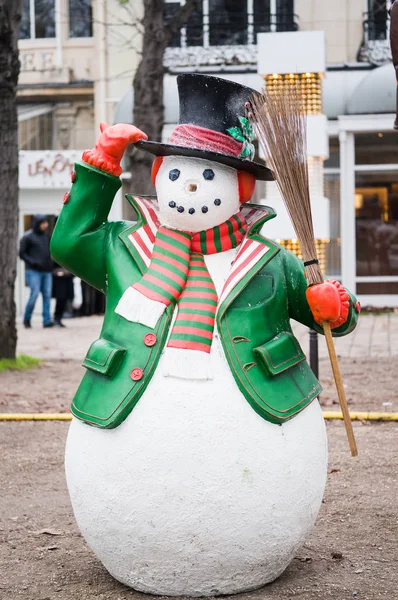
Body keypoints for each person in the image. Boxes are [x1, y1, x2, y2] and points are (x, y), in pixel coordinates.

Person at [19, 214, 54, 328]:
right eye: (43, 223)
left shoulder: (46, 236)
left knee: (47, 295)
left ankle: (47, 321)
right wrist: (33, 262)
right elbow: (22, 254)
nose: (46, 225)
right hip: (33, 271)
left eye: (46, 222)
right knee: (34, 294)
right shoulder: (27, 237)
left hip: (47, 271)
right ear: (38, 223)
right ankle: (27, 319)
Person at [52, 262, 74, 327]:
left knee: (65, 299)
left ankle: (59, 319)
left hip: (68, 277)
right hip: (58, 278)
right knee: (60, 298)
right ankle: (57, 319)